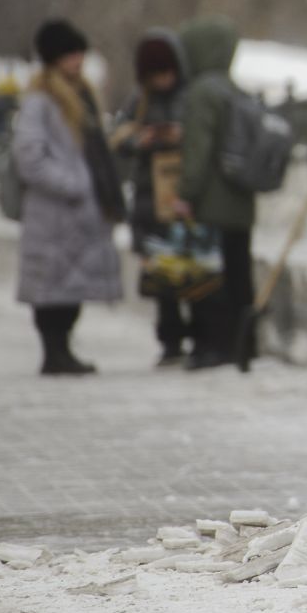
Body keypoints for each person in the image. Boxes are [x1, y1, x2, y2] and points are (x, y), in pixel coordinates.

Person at [12, 19, 126, 375]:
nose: (77, 61)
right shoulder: (40, 101)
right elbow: (29, 156)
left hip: (77, 214)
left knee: (69, 290)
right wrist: (71, 184)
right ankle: (54, 352)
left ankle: (62, 352)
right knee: (52, 291)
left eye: (79, 53)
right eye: (70, 55)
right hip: (54, 213)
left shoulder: (83, 95)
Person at [174, 16, 257, 370]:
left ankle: (213, 346)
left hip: (210, 204)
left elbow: (198, 150)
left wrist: (185, 193)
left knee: (209, 279)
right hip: (240, 202)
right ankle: (243, 344)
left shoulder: (202, 92)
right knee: (239, 276)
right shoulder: (234, 89)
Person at [110, 30, 193, 364]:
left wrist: (178, 135)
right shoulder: (139, 99)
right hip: (149, 197)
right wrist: (140, 140)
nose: (161, 80)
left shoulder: (188, 96)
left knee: (194, 271)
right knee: (161, 276)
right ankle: (170, 340)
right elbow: (119, 136)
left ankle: (198, 335)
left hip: (180, 193)